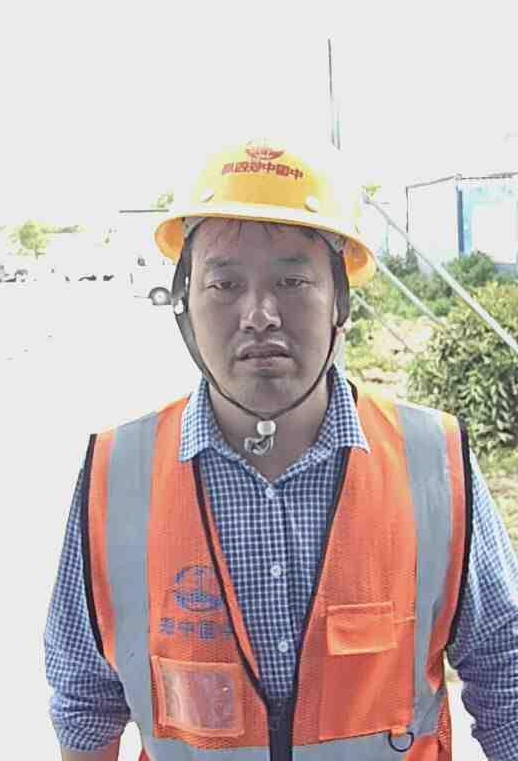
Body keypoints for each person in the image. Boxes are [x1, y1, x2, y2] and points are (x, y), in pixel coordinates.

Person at [45, 138, 518, 760]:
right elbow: (84, 699)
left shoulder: (433, 460)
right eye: (224, 284)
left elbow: (506, 668)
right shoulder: (118, 474)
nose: (260, 314)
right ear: (184, 304)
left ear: (339, 302)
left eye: (293, 280)